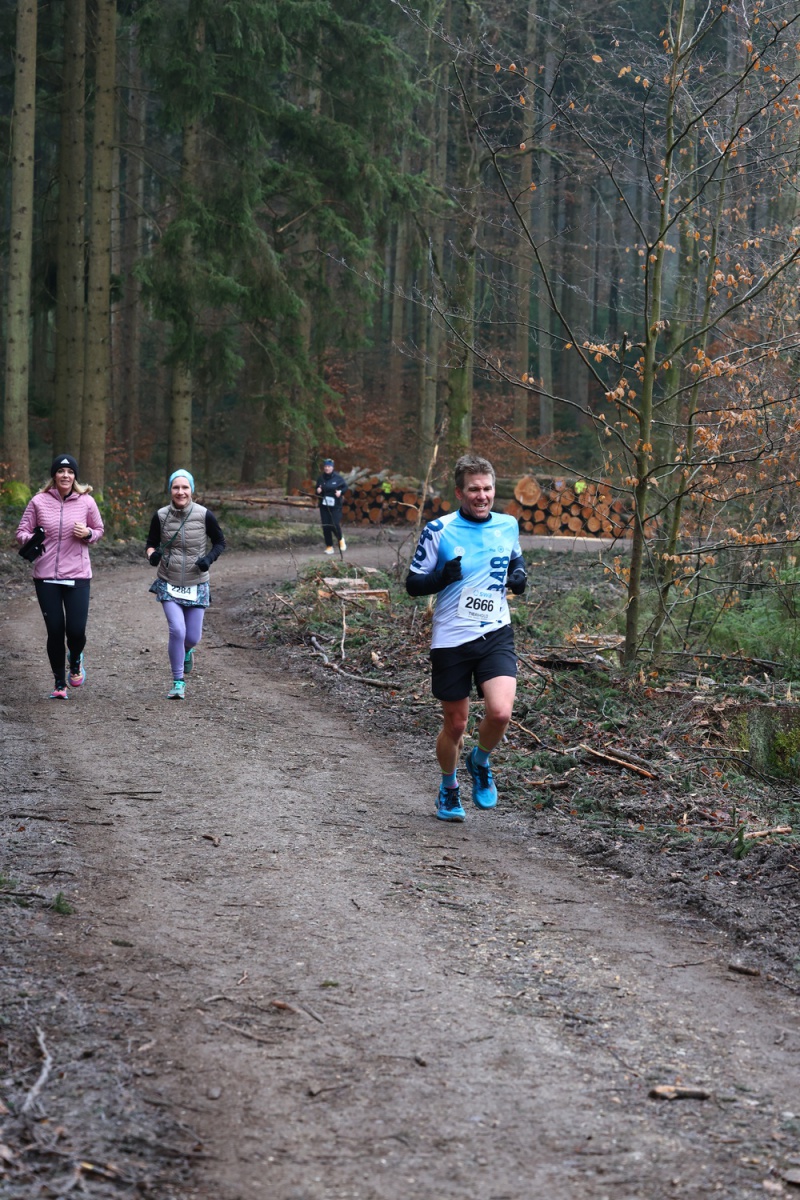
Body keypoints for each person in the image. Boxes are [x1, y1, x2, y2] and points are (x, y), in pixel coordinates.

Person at [406, 453, 527, 821]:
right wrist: (442, 576)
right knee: (456, 725)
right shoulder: (439, 530)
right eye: (474, 489)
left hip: (495, 631)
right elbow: (413, 583)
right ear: (459, 492)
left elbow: (515, 560)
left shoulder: (507, 525)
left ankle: (480, 760)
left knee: (500, 712)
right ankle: (448, 787)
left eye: (487, 489)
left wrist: (519, 577)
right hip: (452, 639)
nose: (482, 496)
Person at [16, 454, 105, 700]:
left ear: (75, 476)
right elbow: (21, 532)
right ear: (54, 475)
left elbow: (99, 530)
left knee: (76, 631)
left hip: (77, 575)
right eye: (61, 471)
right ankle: (59, 683)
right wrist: (34, 537)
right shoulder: (38, 501)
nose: (65, 475)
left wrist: (88, 533)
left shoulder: (87, 502)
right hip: (46, 576)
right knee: (55, 630)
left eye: (70, 472)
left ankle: (75, 660)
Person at [145, 470, 225, 699]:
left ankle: (187, 651)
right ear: (170, 490)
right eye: (176, 487)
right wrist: (152, 555)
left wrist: (208, 559)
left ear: (191, 490)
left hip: (197, 583)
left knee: (192, 638)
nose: (180, 492)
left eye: (185, 487)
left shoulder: (204, 515)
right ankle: (178, 681)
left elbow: (220, 542)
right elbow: (150, 543)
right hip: (169, 582)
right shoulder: (160, 516)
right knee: (177, 631)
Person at [314, 458, 348, 555]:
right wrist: (318, 490)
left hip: (335, 505)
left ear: (332, 468)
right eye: (325, 466)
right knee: (326, 526)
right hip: (324, 505)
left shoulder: (338, 478)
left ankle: (340, 539)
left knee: (334, 523)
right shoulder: (321, 478)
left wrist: (340, 492)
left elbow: (345, 487)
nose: (327, 468)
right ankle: (329, 546)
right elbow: (317, 489)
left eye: (329, 467)